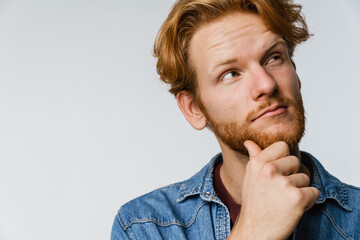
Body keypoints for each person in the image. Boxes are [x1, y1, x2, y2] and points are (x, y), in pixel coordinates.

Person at [111, 0, 360, 239]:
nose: (266, 84)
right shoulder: (144, 226)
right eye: (230, 74)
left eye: (273, 58)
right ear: (194, 108)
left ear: (295, 71)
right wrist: (252, 231)